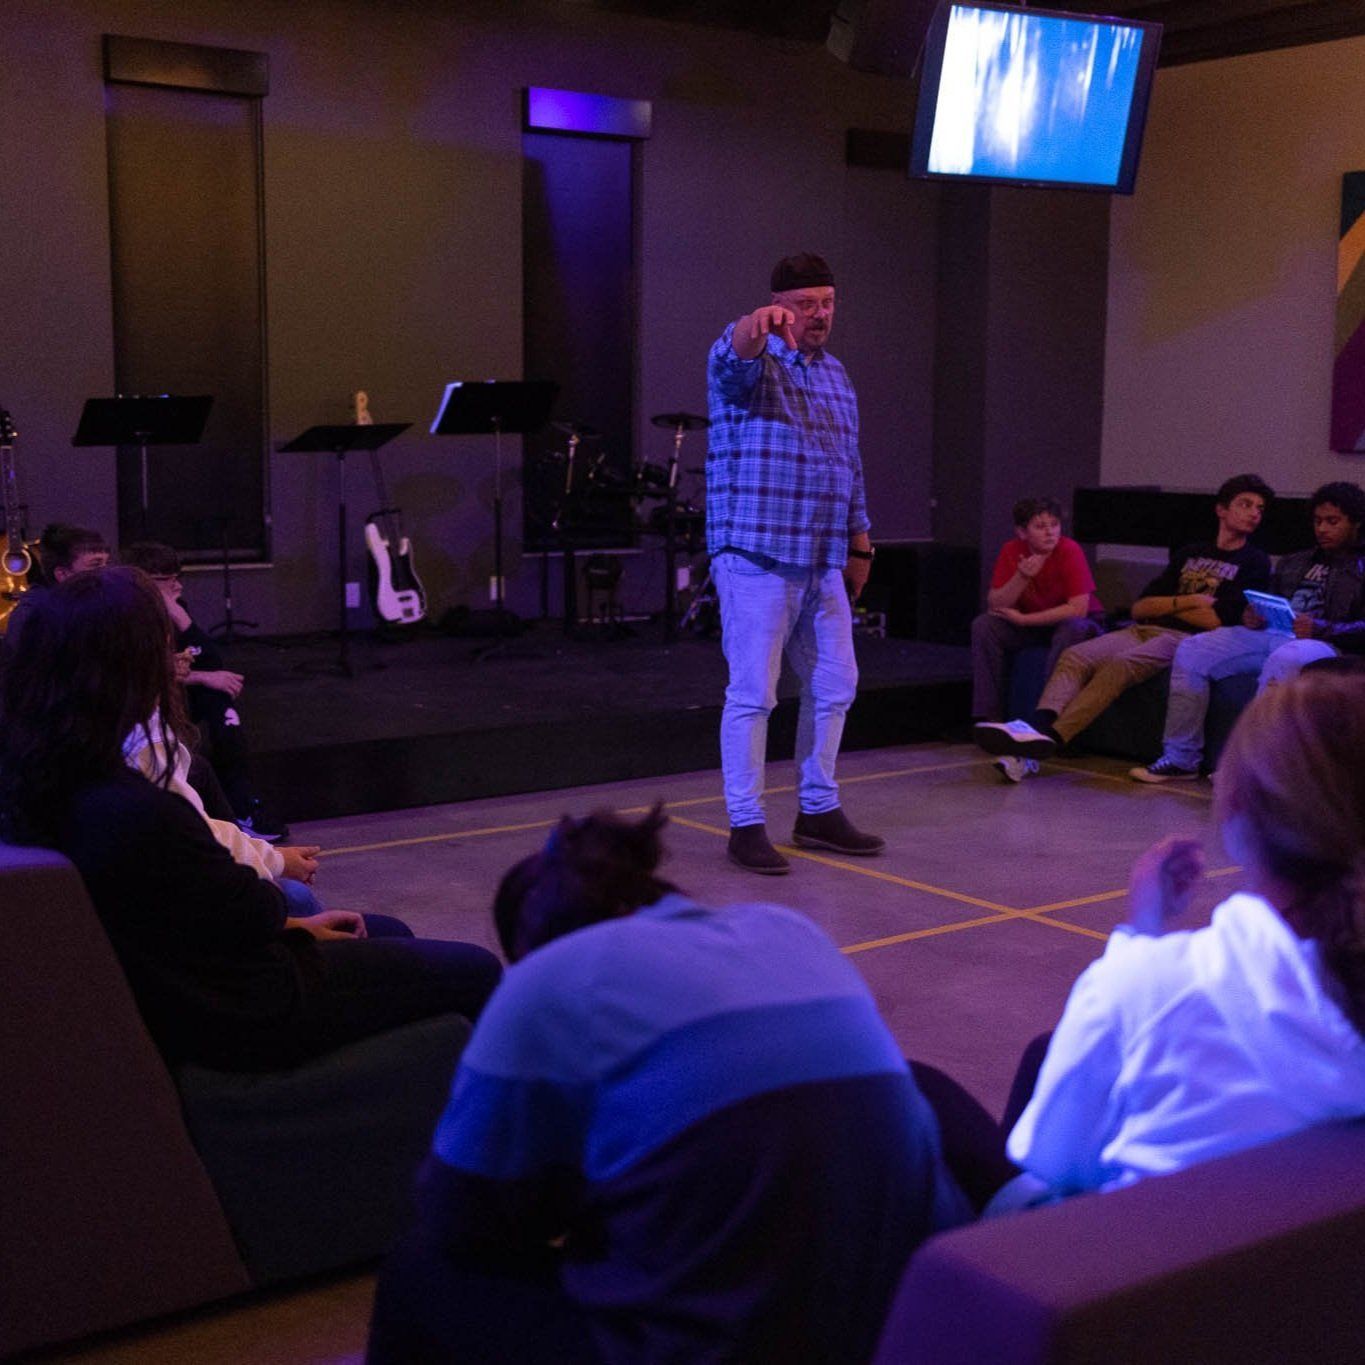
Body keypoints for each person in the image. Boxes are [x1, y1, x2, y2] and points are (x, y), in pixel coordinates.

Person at [366, 806, 968, 1365]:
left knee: (420, 1271)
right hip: (905, 1324)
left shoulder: (550, 978)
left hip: (725, 1350)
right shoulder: (791, 930)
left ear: (530, 945)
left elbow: (459, 1219)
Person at [0, 566, 501, 1071]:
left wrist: (294, 924)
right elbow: (248, 907)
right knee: (477, 970)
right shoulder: (133, 807)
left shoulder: (42, 777)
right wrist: (292, 924)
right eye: (162, 648)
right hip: (241, 1006)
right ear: (132, 668)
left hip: (193, 982)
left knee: (385, 929)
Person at [1001, 671, 1365, 1202]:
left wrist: (1138, 935)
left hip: (1144, 1252)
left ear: (1236, 809)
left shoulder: (1149, 986)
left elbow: (1053, 1159)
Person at [705, 252, 883, 875]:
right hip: (756, 555)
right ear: (779, 305)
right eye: (806, 304)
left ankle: (818, 810)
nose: (820, 314)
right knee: (754, 693)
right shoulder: (752, 360)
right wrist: (754, 325)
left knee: (835, 684)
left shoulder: (835, 374)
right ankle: (745, 824)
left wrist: (859, 543)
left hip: (821, 558)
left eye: (827, 303)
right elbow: (733, 356)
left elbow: (849, 464)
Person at [974, 474, 1273, 780]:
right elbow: (1141, 607)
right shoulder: (1190, 552)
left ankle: (1045, 740)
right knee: (1076, 656)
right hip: (1141, 628)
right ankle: (1037, 727)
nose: (1254, 513)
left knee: (1119, 665)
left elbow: (1215, 620)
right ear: (1221, 510)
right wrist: (1191, 601)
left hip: (1185, 639)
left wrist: (1169, 605)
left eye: (1259, 509)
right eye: (1245, 504)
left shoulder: (1255, 561)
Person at [1132, 480, 1365, 781]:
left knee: (1287, 656)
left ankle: (1251, 768)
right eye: (1318, 521)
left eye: (1332, 522)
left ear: (1355, 523)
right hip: (1275, 632)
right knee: (1193, 648)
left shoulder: (1360, 567)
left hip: (1324, 643)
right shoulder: (1295, 562)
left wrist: (1323, 627)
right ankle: (1180, 757)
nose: (1322, 529)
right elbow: (1272, 599)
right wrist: (1252, 614)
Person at [120, 540, 287, 839]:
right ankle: (233, 812)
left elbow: (210, 659)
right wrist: (201, 677)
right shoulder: (126, 617)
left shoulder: (174, 610)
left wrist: (179, 616)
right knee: (215, 692)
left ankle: (243, 805)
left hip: (173, 694)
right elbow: (135, 671)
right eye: (166, 579)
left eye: (177, 577)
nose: (176, 586)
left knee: (219, 698)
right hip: (139, 705)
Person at [969, 497, 1104, 755]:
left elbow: (1078, 608)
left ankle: (1051, 722)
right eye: (1040, 526)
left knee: (1072, 628)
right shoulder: (1012, 551)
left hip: (1078, 626)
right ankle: (989, 719)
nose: (1050, 532)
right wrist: (1022, 576)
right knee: (985, 626)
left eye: (1054, 525)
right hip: (1035, 626)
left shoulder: (1069, 550)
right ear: (1022, 532)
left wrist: (1024, 620)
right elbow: (996, 604)